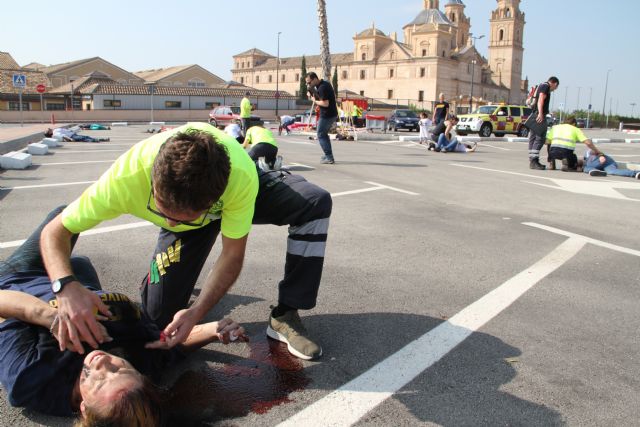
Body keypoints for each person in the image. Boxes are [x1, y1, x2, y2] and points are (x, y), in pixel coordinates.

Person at [40, 122, 332, 361]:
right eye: (165, 214)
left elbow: (232, 254)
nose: (169, 224)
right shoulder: (125, 179)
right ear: (153, 183)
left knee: (315, 202)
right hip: (191, 203)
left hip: (239, 185)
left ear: (214, 201)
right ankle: (169, 275)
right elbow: (54, 231)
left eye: (181, 219)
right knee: (159, 321)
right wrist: (64, 286)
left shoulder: (239, 181)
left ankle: (286, 314)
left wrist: (197, 312)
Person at [0, 206, 246, 423]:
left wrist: (51, 316)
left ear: (84, 409)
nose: (102, 363)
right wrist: (213, 330)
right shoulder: (137, 378)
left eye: (97, 382)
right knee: (77, 250)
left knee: (61, 218)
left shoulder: (33, 378)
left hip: (22, 277)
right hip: (85, 285)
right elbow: (172, 349)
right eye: (120, 369)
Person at [526, 76, 560, 170]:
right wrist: (541, 113)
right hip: (539, 115)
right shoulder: (546, 87)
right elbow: (541, 99)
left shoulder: (541, 85)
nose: (554, 90)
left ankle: (532, 160)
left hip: (534, 114)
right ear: (555, 84)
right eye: (555, 88)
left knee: (533, 138)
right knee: (540, 138)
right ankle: (534, 161)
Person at [306, 72, 338, 164]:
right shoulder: (324, 84)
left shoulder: (322, 87)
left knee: (320, 134)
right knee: (323, 134)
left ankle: (329, 157)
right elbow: (322, 99)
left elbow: (325, 103)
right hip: (330, 113)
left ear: (315, 79)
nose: (308, 84)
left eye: (309, 82)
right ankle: (328, 155)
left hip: (327, 115)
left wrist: (314, 101)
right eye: (307, 83)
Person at [44, 128, 109, 143]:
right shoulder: (55, 133)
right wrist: (70, 139)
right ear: (49, 133)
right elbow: (63, 135)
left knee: (85, 138)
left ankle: (98, 139)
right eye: (48, 130)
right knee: (84, 138)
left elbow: (64, 131)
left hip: (73, 134)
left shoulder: (55, 130)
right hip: (72, 136)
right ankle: (97, 140)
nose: (49, 128)